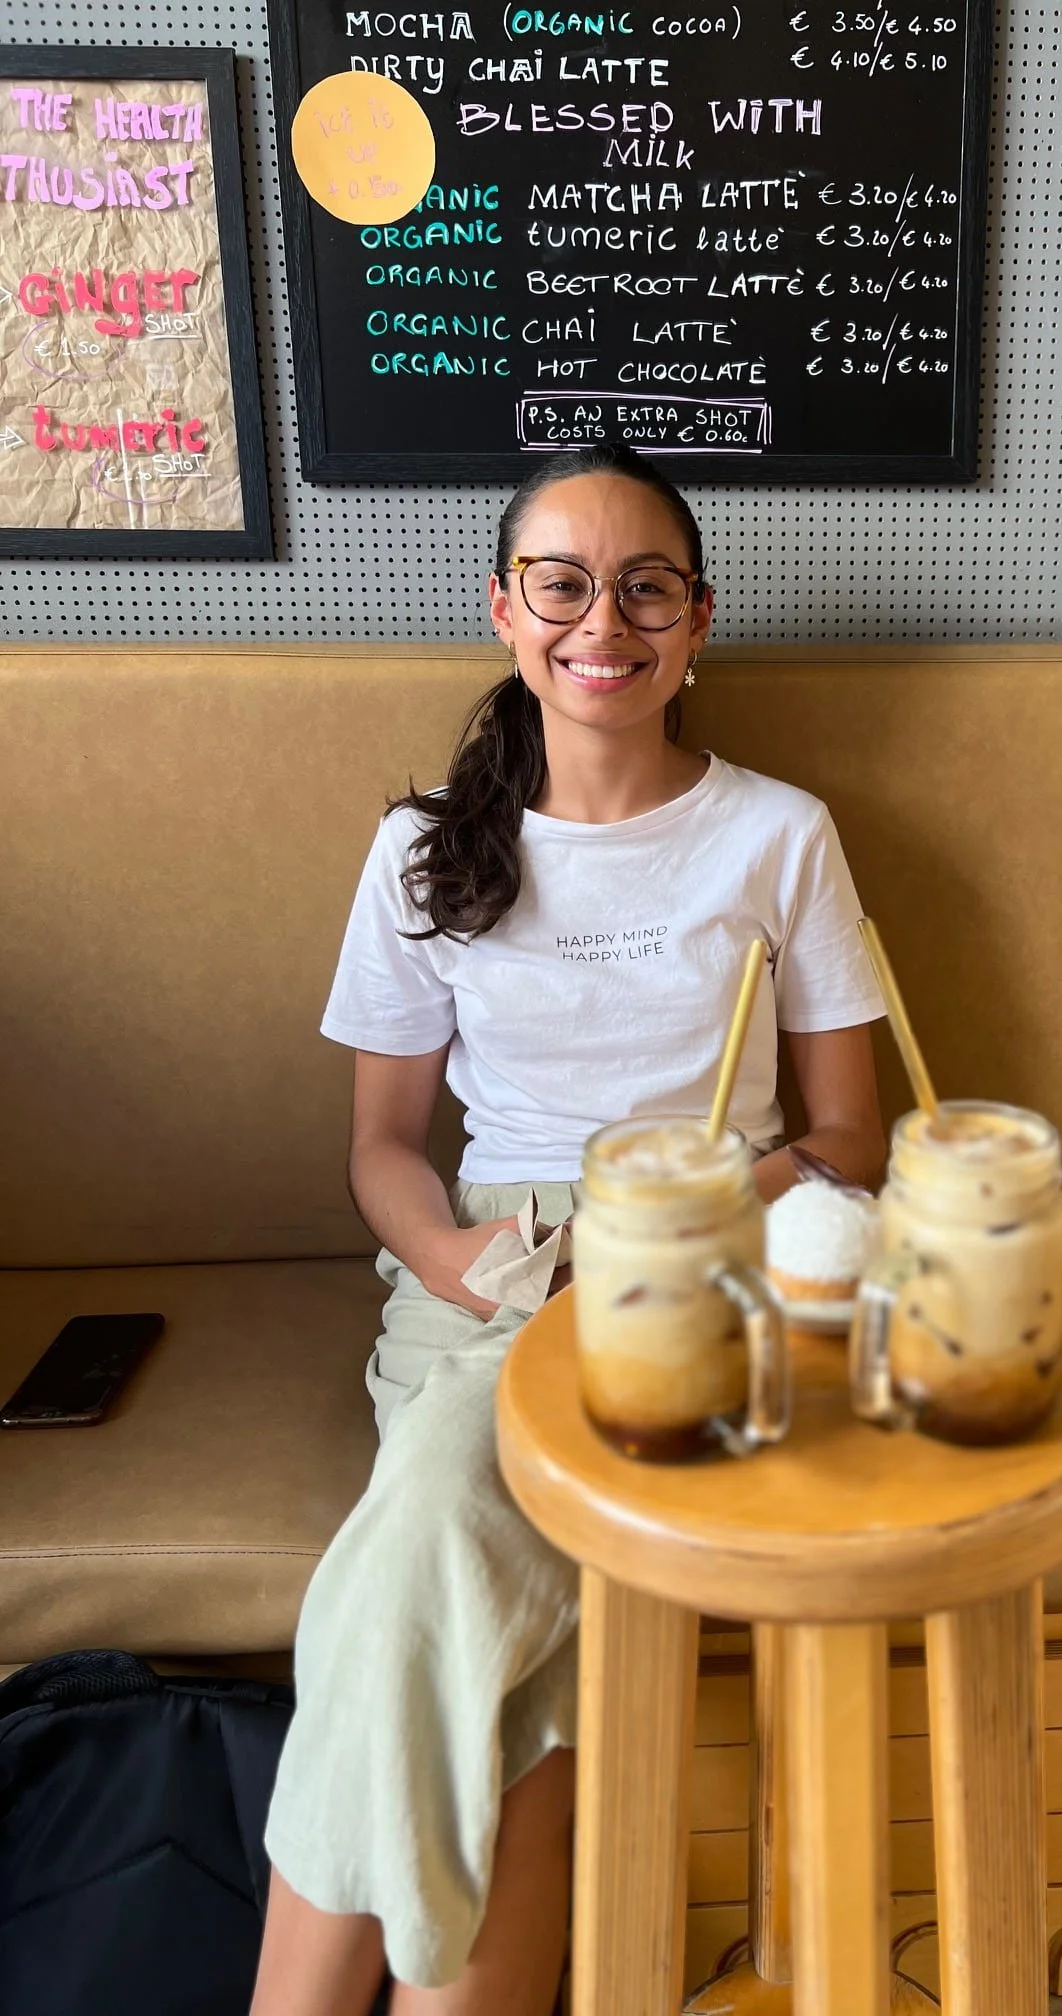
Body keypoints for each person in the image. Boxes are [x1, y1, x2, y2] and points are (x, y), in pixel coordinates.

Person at [250, 444, 888, 2016]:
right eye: (563, 582)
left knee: (419, 1555)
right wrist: (469, 1268)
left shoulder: (780, 833)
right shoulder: (420, 851)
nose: (604, 620)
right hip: (486, 1258)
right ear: (506, 609)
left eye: (647, 585)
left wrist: (691, 1223)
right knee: (521, 1695)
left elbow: (854, 1134)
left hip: (706, 1255)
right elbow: (384, 1151)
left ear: (698, 620)